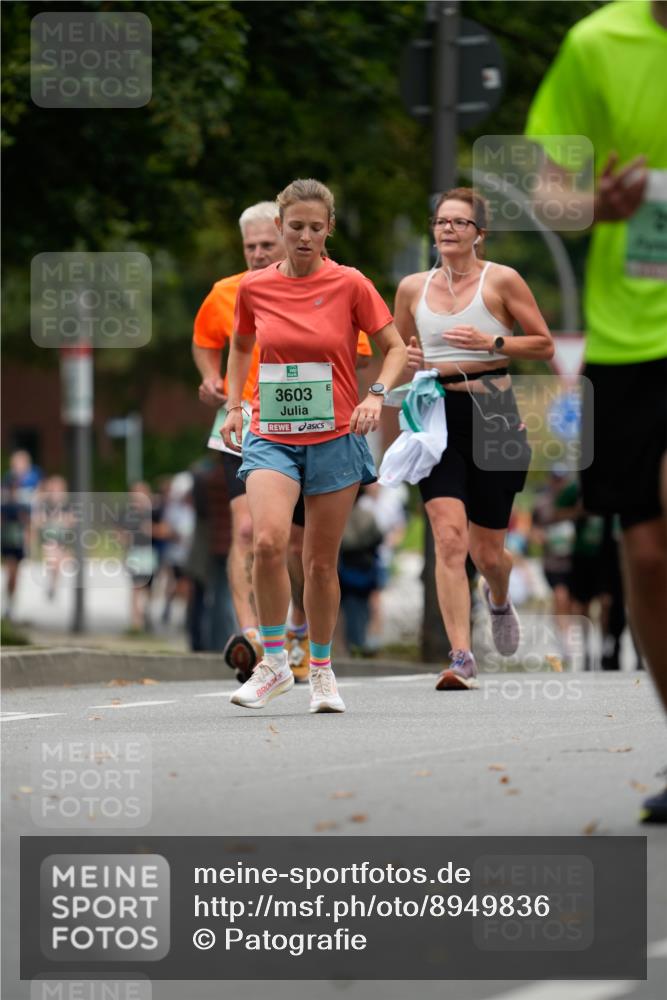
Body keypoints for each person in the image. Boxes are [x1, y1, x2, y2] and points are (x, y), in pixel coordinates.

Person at [525, 0, 667, 821]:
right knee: (644, 556)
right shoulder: (596, 42)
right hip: (625, 335)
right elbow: (551, 198)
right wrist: (594, 207)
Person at [221, 178, 407, 713]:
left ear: (328, 230)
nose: (305, 237)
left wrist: (375, 395)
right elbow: (240, 347)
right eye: (295, 227)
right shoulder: (256, 288)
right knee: (266, 541)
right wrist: (236, 406)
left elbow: (393, 350)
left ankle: (321, 669)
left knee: (321, 563)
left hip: (335, 435)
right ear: (279, 228)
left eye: (315, 228)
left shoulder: (350, 284)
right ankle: (275, 663)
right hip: (272, 434)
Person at [193, 201, 373, 683]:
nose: (258, 253)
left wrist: (355, 396)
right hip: (254, 423)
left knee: (307, 553)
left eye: (265, 246)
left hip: (325, 429)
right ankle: (255, 637)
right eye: (250, 246)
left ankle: (303, 636)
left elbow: (358, 352)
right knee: (253, 534)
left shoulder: (343, 284)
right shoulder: (233, 291)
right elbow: (217, 345)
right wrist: (219, 387)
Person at [394, 187, 554, 691]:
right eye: (440, 221)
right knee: (447, 537)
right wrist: (405, 366)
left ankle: (499, 597)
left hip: (494, 413)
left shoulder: (502, 279)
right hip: (436, 415)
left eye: (459, 223)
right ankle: (461, 655)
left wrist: (493, 342)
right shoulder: (412, 288)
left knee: (488, 554)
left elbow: (545, 345)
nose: (447, 229)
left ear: (479, 233)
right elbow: (398, 350)